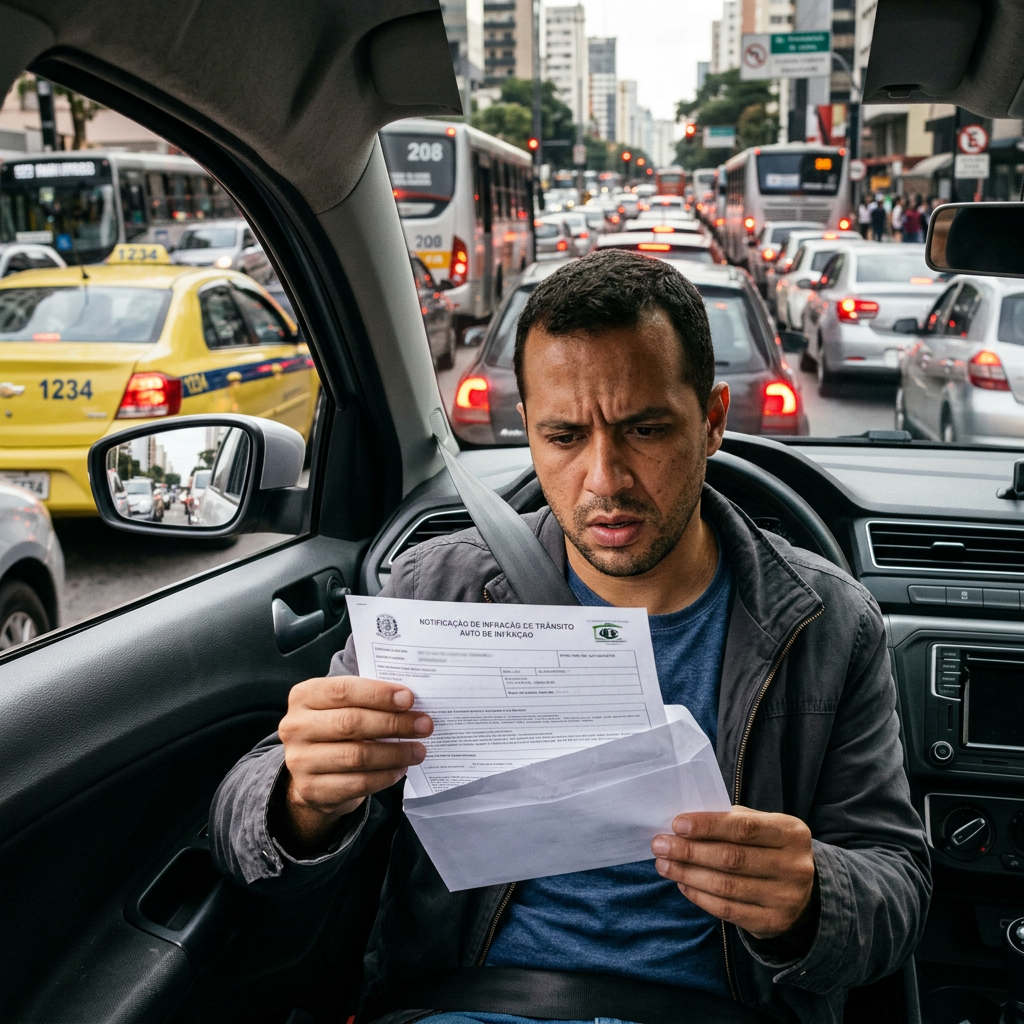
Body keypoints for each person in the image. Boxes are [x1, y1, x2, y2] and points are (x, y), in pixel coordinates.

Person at [210, 250, 931, 1024]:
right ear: (528, 431)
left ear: (714, 420)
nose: (604, 479)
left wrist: (812, 896)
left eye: (645, 430)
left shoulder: (824, 623)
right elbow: (241, 824)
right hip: (471, 1006)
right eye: (562, 437)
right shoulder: (438, 590)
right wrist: (303, 795)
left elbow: (896, 883)